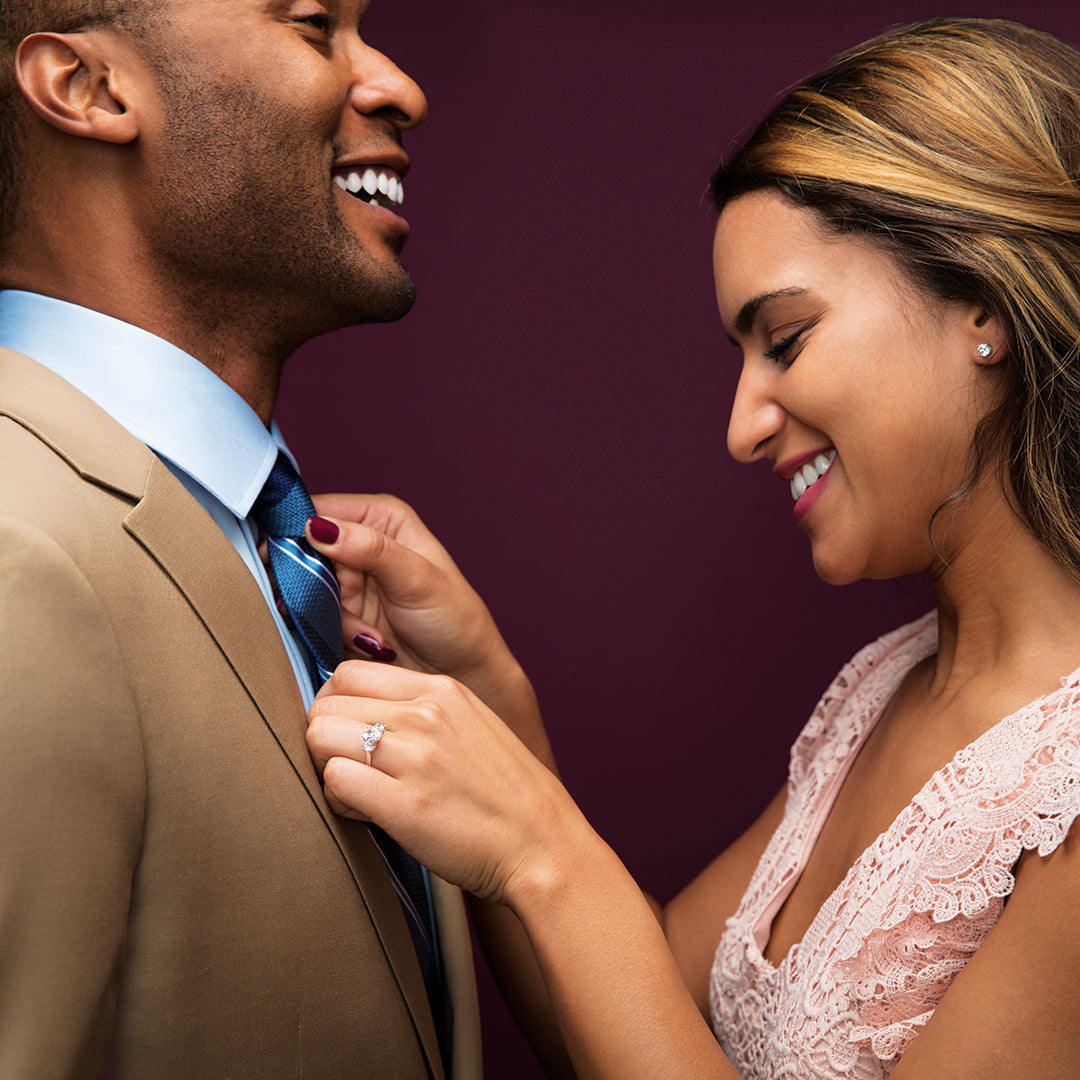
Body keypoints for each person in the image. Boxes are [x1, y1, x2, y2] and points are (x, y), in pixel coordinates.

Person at [303, 17, 1080, 1079]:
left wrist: (544, 848)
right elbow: (637, 1015)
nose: (744, 424)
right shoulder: (881, 689)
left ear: (982, 310)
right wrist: (481, 678)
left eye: (787, 339)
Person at [0, 1, 487, 1076]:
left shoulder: (294, 555)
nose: (399, 88)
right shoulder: (16, 551)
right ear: (88, 89)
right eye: (317, 24)